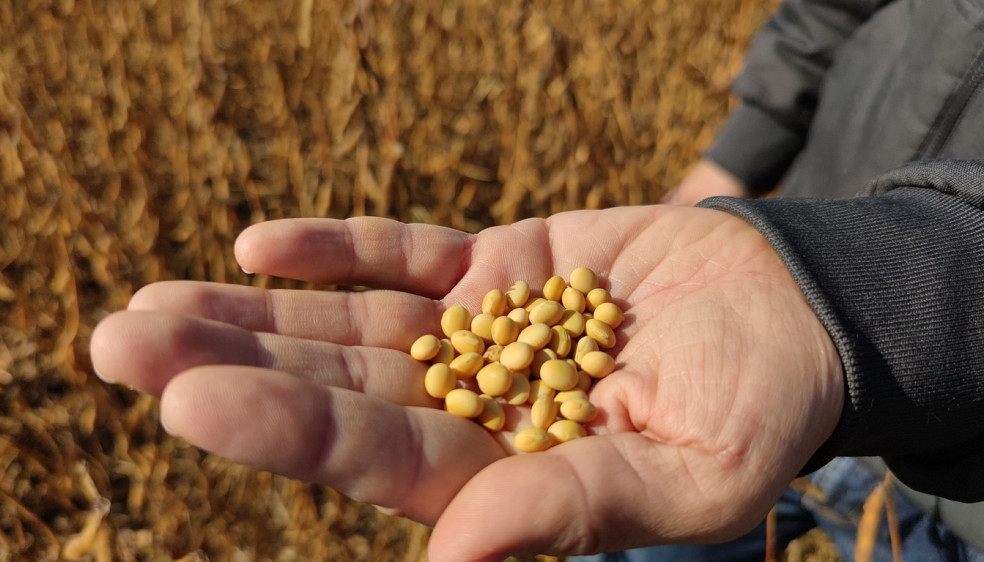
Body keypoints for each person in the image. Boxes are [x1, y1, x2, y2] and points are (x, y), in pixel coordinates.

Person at [90, 1, 984, 560]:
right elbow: (831, 8)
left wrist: (885, 299)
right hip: (782, 280)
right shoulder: (557, 344)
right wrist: (736, 158)